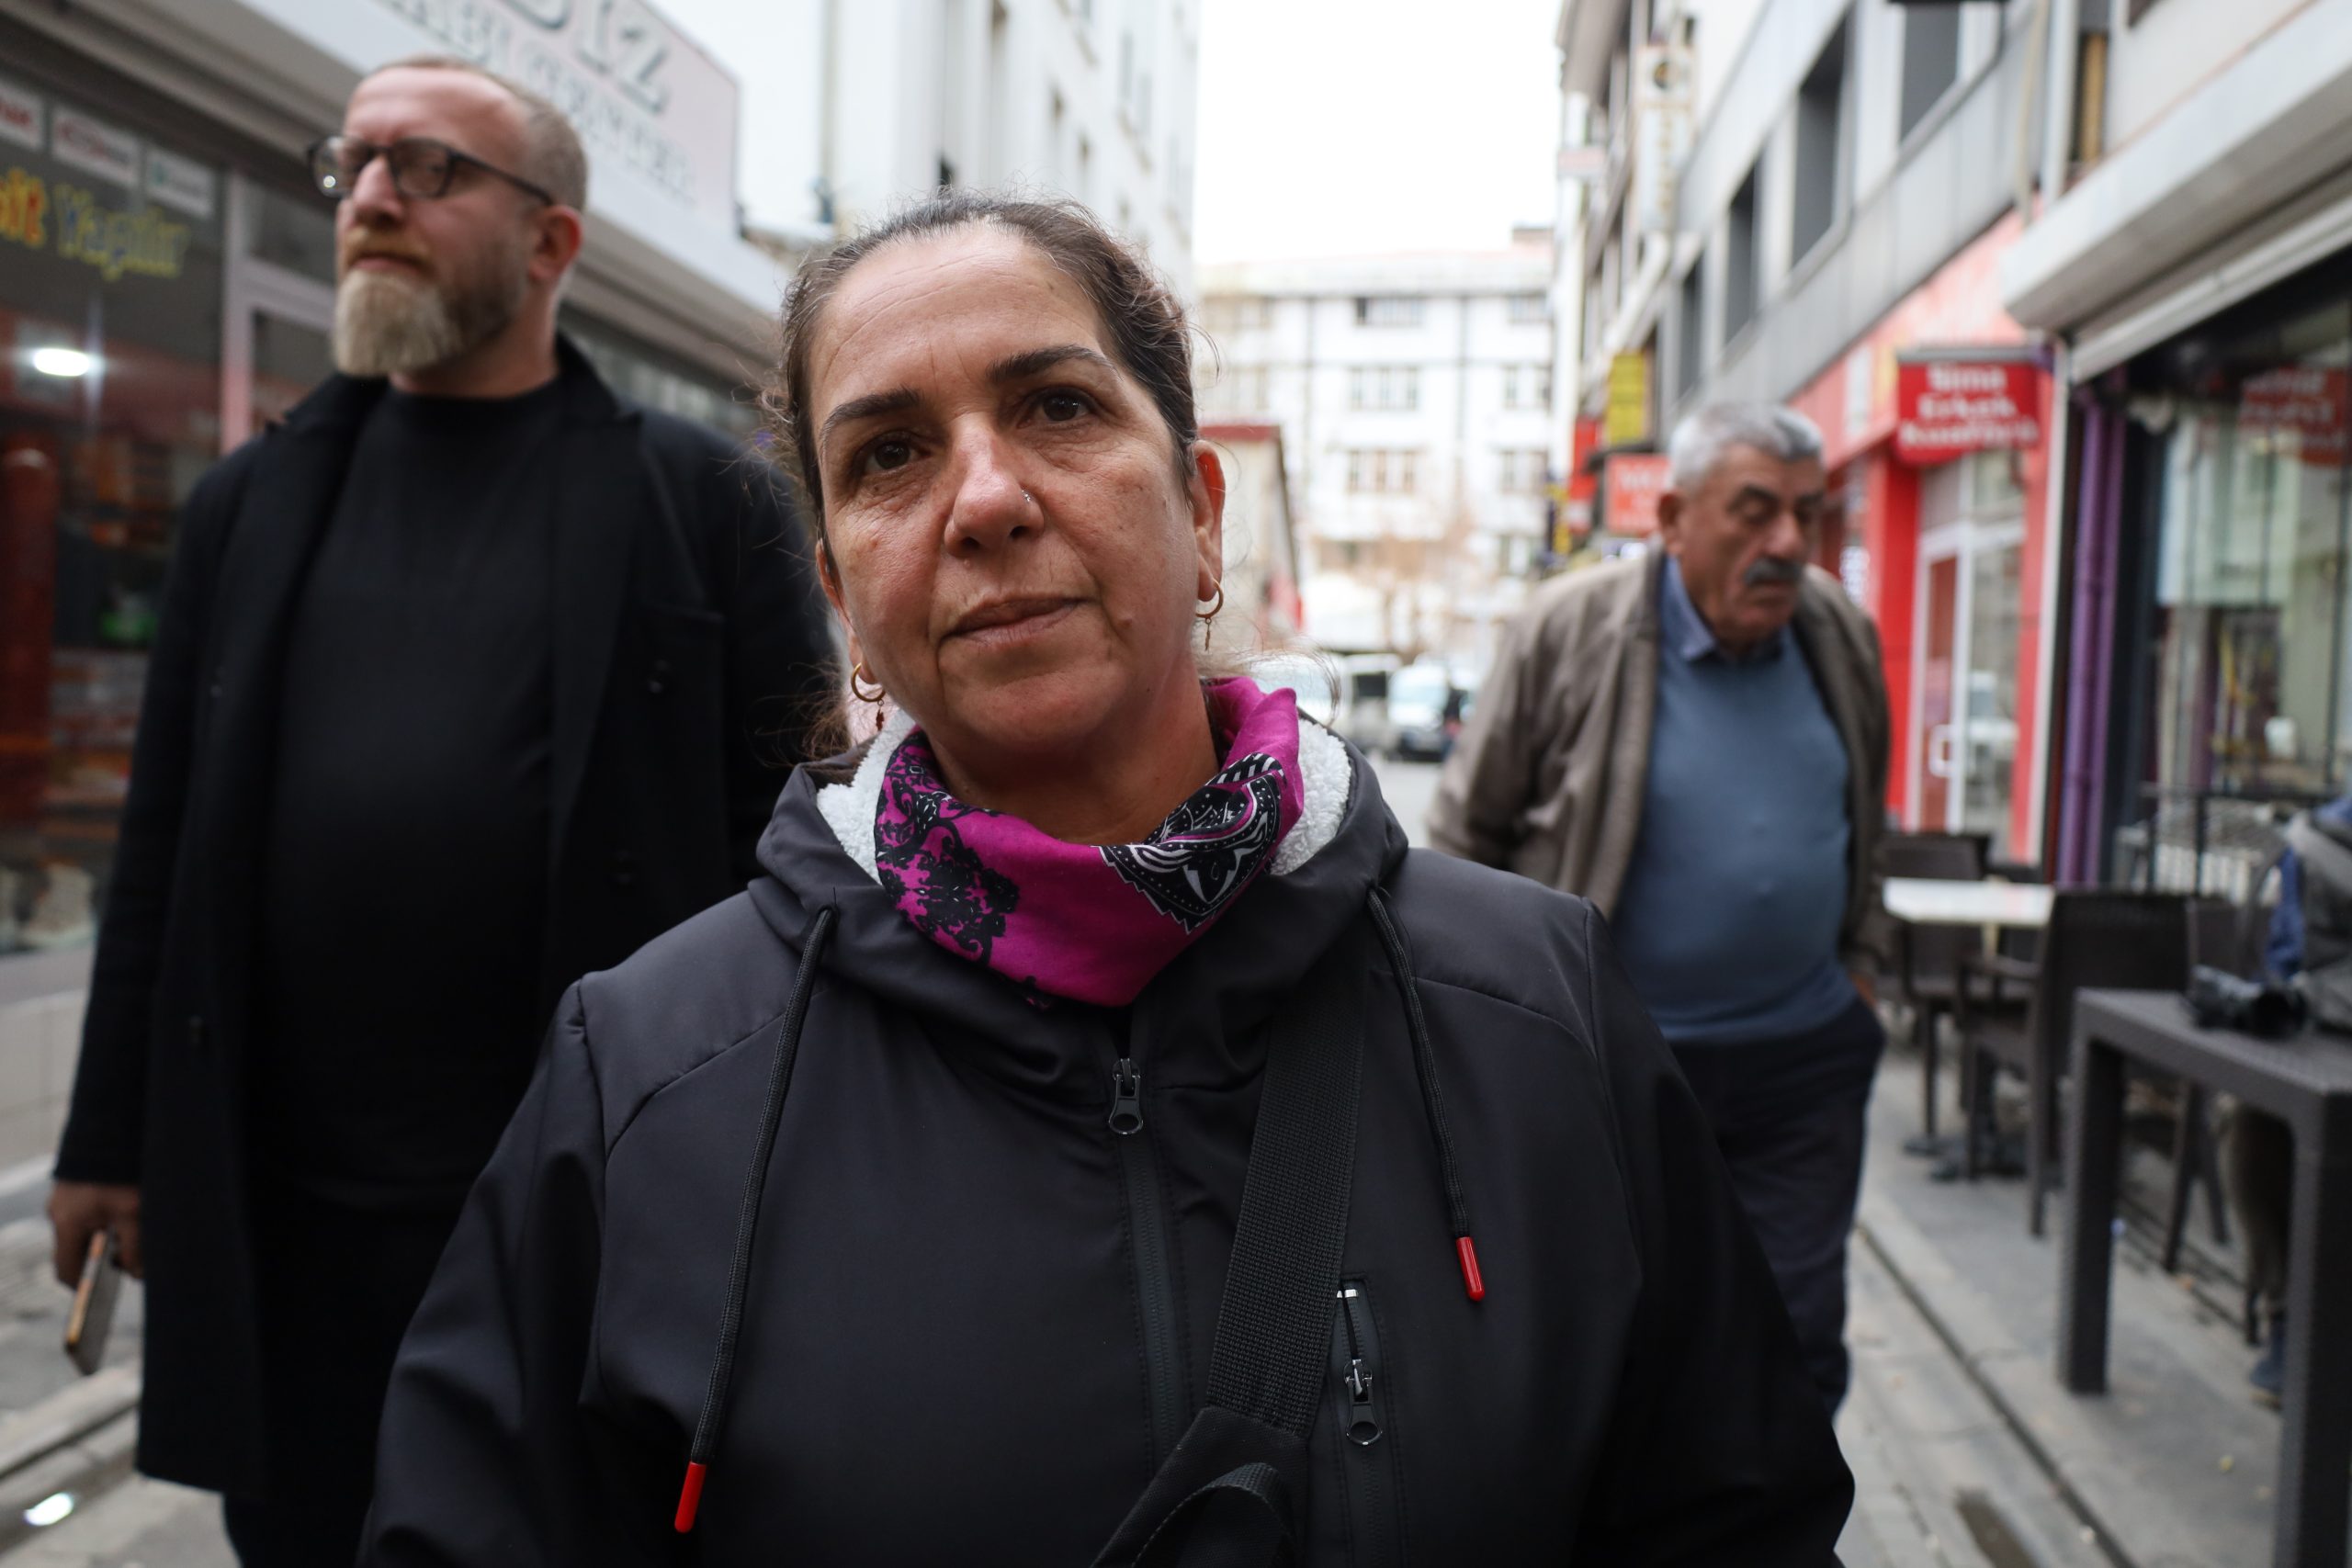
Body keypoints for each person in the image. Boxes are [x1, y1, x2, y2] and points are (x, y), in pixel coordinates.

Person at [357, 194, 1852, 1565]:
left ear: (1201, 513)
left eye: (1057, 408)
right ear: (842, 598)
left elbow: (1736, 1516)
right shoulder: (643, 1079)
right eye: (889, 455)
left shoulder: (1535, 1007)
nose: (984, 499)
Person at [46, 56, 838, 1567]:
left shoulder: (698, 499)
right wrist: (107, 1138)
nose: (369, 198)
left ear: (551, 240)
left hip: (578, 1207)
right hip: (288, 1221)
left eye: (425, 169)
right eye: (351, 164)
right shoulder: (247, 503)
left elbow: (797, 844)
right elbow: (161, 847)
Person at [1428, 402, 1891, 1412]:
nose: (1787, 542)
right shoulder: (1567, 629)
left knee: (1796, 1336)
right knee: (1611, 1343)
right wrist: (1482, 1042)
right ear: (1675, 517)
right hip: (1611, 1068)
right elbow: (1464, 837)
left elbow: (1867, 810)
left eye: (1806, 513)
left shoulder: (1837, 631)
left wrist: (1861, 961)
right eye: (1755, 511)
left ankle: (1777, 1503)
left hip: (1800, 1065)